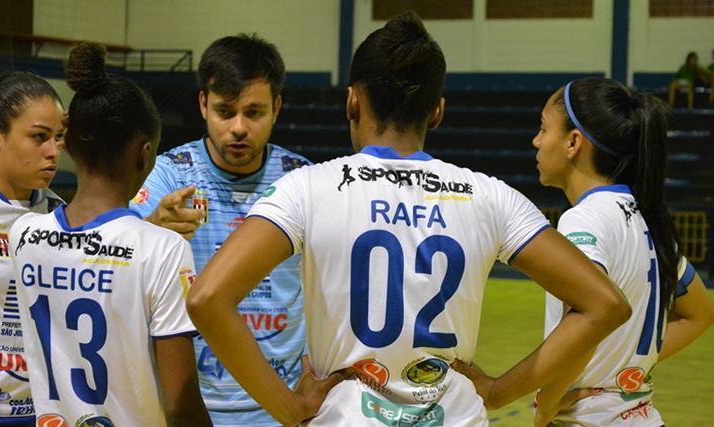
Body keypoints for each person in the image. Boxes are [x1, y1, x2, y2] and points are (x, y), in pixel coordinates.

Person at [186, 12, 631, 426]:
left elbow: (207, 298)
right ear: (437, 110)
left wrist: (288, 408)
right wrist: (496, 392)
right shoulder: (491, 196)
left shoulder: (307, 188)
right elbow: (604, 305)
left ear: (352, 103)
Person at [9, 42, 211, 427]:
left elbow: (94, 248)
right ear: (145, 152)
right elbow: (182, 406)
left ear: (67, 147)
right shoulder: (164, 249)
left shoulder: (25, 234)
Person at [129, 33, 311, 426]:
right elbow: (117, 267)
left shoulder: (303, 181)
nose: (239, 128)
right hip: (190, 410)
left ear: (277, 108)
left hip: (282, 408)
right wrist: (152, 227)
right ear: (202, 105)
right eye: (225, 111)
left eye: (255, 112)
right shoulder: (169, 174)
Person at [531, 77, 714, 426]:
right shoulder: (649, 220)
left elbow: (583, 323)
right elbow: (700, 314)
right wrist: (624, 369)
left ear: (573, 142)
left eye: (543, 129)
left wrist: (548, 403)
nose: (536, 141)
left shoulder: (582, 221)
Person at [0, 71, 64, 426]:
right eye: (39, 137)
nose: (53, 152)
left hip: (42, 413)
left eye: (59, 137)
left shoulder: (56, 211)